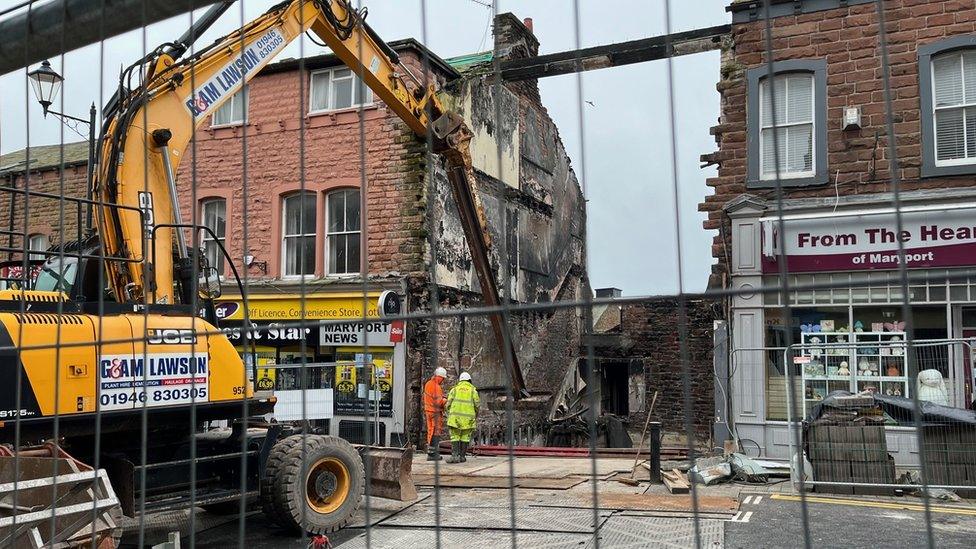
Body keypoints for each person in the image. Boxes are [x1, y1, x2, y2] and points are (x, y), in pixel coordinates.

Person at [445, 371, 479, 463]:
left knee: (454, 436)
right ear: (469, 380)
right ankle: (462, 457)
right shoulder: (473, 390)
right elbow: (477, 404)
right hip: (468, 419)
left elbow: (448, 404)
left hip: (455, 419)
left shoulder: (454, 390)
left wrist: (449, 412)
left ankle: (455, 456)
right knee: (465, 437)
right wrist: (475, 413)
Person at [422, 367, 448, 461]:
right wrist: (445, 400)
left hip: (428, 411)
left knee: (430, 431)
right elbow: (438, 402)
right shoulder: (437, 387)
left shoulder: (428, 384)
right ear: (439, 377)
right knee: (435, 432)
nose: (443, 381)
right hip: (435, 412)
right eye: (443, 378)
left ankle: (431, 452)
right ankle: (432, 454)